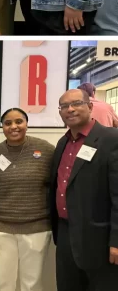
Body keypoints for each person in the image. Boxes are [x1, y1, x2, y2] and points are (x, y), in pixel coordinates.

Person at [49, 89, 118, 290]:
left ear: (90, 106)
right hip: (65, 235)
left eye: (76, 103)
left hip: (100, 241)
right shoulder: (62, 143)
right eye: (64, 106)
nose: (70, 109)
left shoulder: (111, 139)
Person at [0, 108, 55, 291]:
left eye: (19, 122)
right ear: (2, 126)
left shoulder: (46, 149)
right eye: (8, 123)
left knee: (32, 284)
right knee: (3, 283)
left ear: (26, 124)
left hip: (37, 228)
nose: (13, 127)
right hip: (2, 229)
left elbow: (58, 184)